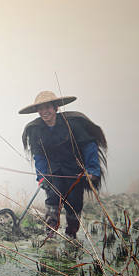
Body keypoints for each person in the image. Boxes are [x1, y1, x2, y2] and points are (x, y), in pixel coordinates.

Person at [20, 91, 107, 239]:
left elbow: (88, 145)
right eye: (40, 109)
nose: (44, 112)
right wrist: (41, 177)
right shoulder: (35, 130)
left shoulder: (73, 124)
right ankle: (50, 233)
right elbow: (39, 156)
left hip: (75, 170)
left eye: (47, 107)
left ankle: (71, 234)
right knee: (53, 197)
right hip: (52, 171)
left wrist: (92, 170)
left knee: (74, 202)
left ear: (56, 108)